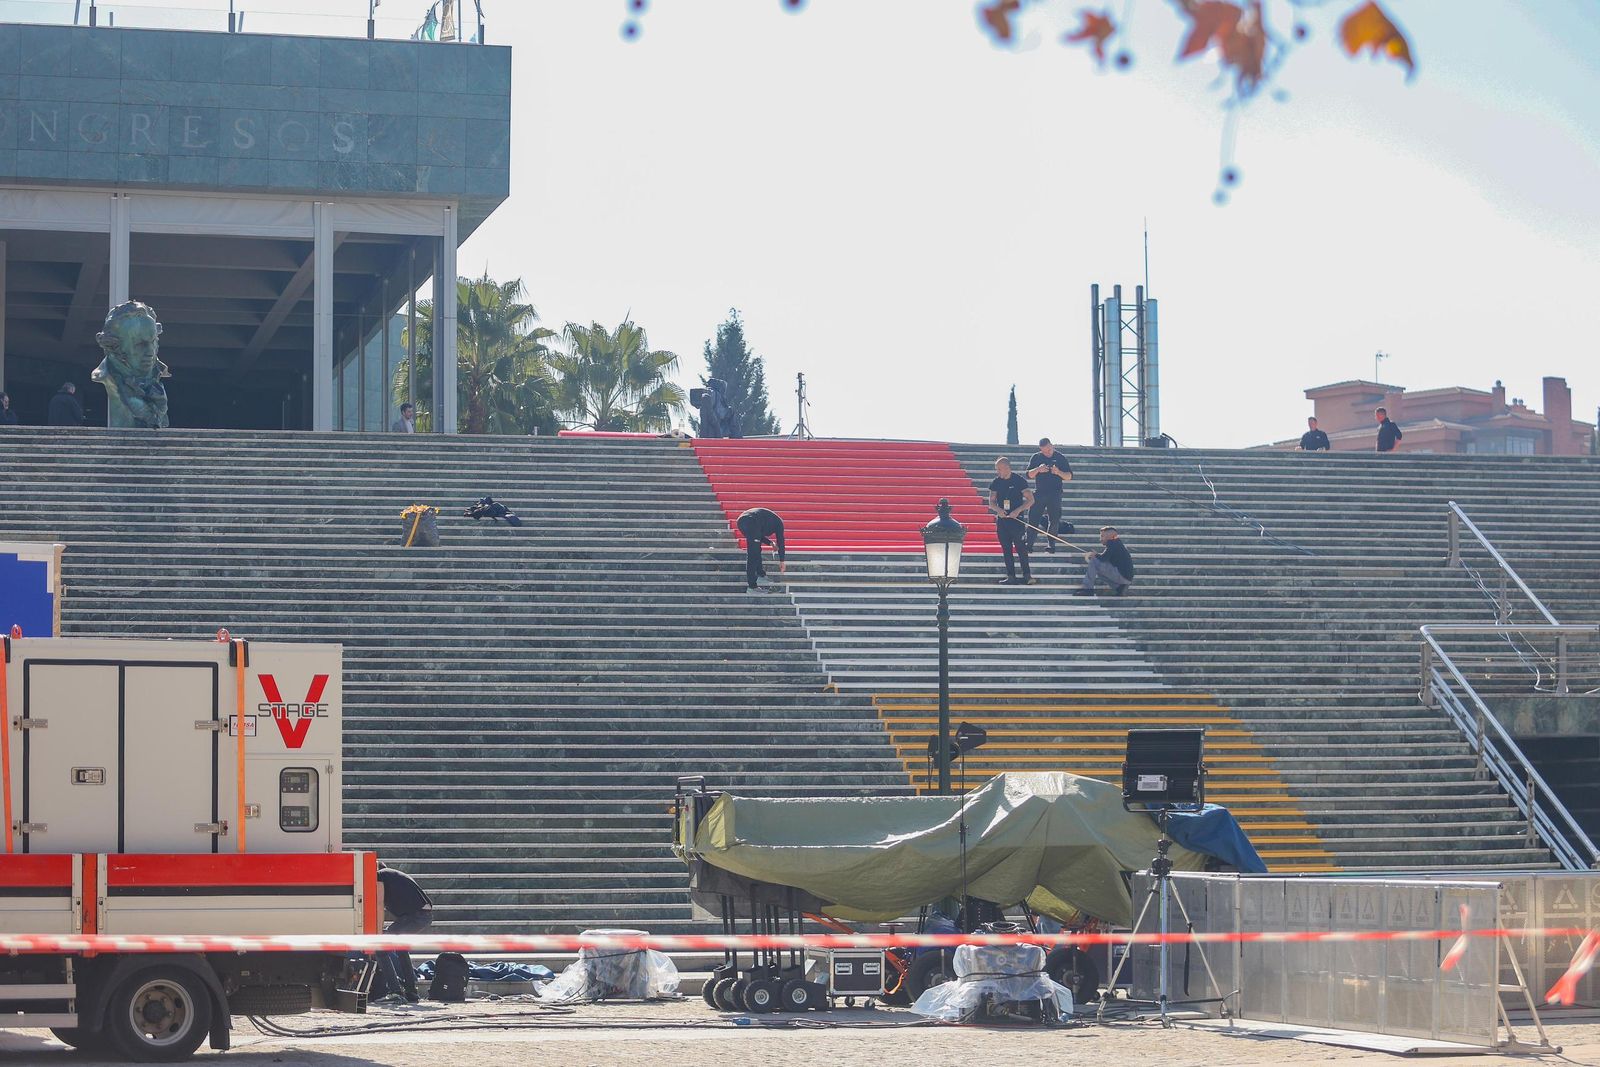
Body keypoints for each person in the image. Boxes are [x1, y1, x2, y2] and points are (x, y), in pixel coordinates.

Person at [376, 863, 433, 1003]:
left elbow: (379, 904)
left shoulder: (379, 875)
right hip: (422, 915)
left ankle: (395, 992)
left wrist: (378, 931)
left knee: (380, 949)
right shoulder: (393, 875)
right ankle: (411, 992)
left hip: (414, 916)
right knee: (401, 949)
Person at [988, 457, 1035, 586]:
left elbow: (1031, 500)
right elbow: (991, 502)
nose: (997, 472)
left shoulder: (1019, 480)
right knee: (1006, 549)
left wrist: (1018, 510)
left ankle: (1027, 575)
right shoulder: (996, 482)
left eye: (999, 469)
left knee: (1021, 548)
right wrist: (998, 510)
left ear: (1007, 468)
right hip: (1003, 521)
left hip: (1017, 520)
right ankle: (1011, 576)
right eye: (997, 469)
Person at [1024, 437, 1073, 552]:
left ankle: (1051, 545)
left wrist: (1058, 472)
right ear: (1041, 449)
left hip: (1055, 493)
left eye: (1049, 450)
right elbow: (1028, 475)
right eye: (1045, 451)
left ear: (1052, 445)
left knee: (1054, 520)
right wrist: (1038, 469)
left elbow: (1069, 476)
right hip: (1039, 492)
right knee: (1033, 519)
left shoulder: (1060, 457)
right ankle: (1029, 545)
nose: (1048, 453)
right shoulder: (1036, 457)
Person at [735, 507, 786, 594]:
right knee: (753, 554)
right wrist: (782, 560)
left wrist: (770, 543)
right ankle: (752, 587)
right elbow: (780, 541)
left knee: (756, 549)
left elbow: (758, 535)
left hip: (742, 521)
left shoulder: (768, 520)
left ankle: (761, 575)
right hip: (751, 521)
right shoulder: (779, 523)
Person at [1074, 526, 1134, 597]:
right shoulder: (1117, 543)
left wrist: (1095, 555)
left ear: (1110, 536)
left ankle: (1088, 589)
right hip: (1126, 578)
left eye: (1102, 536)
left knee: (1094, 561)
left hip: (1121, 575)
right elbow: (1105, 558)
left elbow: (1103, 558)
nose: (1100, 539)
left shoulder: (1112, 544)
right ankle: (1120, 588)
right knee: (1099, 570)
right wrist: (1096, 555)